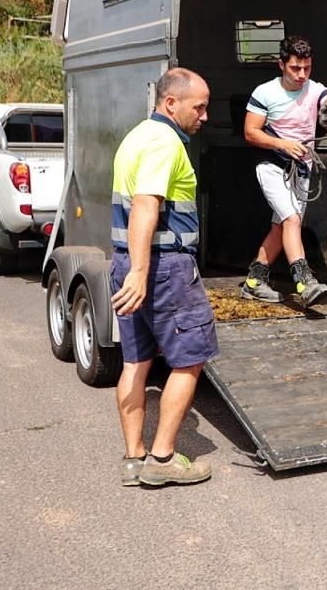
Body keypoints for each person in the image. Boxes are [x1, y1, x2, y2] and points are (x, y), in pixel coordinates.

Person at [110, 67, 217, 487]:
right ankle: (163, 458)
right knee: (191, 359)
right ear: (170, 103)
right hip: (163, 267)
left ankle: (134, 458)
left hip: (124, 259)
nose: (205, 115)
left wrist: (131, 268)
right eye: (200, 107)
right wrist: (141, 271)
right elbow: (145, 204)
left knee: (136, 361)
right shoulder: (164, 142)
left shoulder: (135, 136)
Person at [240, 35, 327, 307]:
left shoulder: (316, 90)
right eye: (295, 68)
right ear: (281, 64)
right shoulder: (265, 92)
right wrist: (283, 144)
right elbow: (250, 133)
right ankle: (305, 282)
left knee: (281, 226)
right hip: (272, 166)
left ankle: (254, 283)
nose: (302, 75)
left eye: (307, 68)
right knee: (291, 219)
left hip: (302, 169)